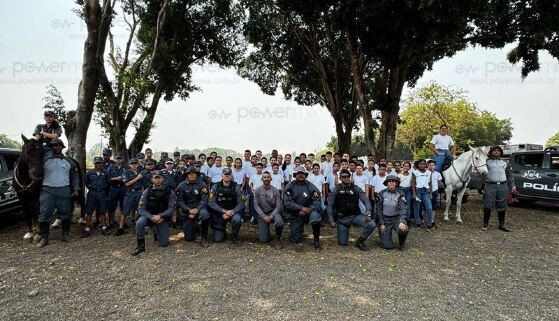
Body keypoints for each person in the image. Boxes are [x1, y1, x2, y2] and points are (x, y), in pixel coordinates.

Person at [36, 139, 80, 248]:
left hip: (64, 190)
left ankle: (65, 235)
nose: (57, 147)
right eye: (55, 146)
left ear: (62, 147)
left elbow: (75, 176)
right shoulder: (44, 160)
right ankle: (44, 237)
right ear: (51, 147)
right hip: (47, 190)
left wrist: (76, 189)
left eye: (59, 145)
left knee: (66, 213)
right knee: (44, 214)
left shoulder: (69, 161)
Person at [327, 169, 376, 251]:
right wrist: (331, 220)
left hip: (355, 216)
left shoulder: (356, 188)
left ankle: (360, 242)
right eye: (343, 177)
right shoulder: (336, 190)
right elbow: (330, 205)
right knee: (342, 244)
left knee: (371, 224)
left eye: (347, 176)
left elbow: (366, 200)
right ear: (340, 178)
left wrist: (368, 213)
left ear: (350, 177)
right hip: (343, 220)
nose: (346, 178)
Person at [131, 170, 176, 256]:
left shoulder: (168, 191)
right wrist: (151, 217)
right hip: (149, 216)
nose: (157, 180)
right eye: (155, 178)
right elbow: (141, 209)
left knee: (164, 244)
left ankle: (156, 230)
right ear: (152, 179)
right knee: (139, 222)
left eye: (159, 178)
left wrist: (161, 216)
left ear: (163, 179)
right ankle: (140, 245)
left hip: (162, 218)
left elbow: (172, 208)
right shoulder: (147, 191)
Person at [283, 166, 322, 251]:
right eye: (298, 173)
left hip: (309, 212)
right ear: (295, 175)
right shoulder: (290, 186)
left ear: (305, 175)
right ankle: (299, 231)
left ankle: (316, 240)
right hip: (296, 213)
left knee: (315, 217)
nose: (300, 175)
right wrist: (301, 208)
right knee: (296, 240)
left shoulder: (310, 186)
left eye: (302, 173)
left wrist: (309, 209)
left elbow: (317, 200)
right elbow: (287, 203)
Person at [483, 146, 516, 232]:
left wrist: (512, 186)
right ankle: (485, 224)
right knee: (487, 206)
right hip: (490, 186)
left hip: (503, 186)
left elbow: (510, 175)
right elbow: (480, 172)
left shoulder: (505, 163)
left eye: (498, 151)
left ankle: (502, 225)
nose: (497, 152)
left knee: (502, 206)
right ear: (491, 152)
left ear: (501, 153)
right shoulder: (486, 162)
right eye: (495, 150)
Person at [208, 168, 245, 243]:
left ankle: (234, 236)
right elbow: (211, 203)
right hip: (219, 213)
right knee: (218, 239)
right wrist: (224, 211)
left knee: (237, 219)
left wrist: (232, 212)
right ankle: (222, 231)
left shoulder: (237, 186)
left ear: (231, 176)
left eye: (229, 175)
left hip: (233, 212)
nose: (227, 176)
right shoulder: (215, 186)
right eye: (225, 174)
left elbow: (241, 203)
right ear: (222, 175)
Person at [176, 166, 211, 246]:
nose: (192, 175)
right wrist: (189, 210)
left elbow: (204, 200)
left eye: (194, 173)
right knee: (189, 239)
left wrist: (197, 209)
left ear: (197, 174)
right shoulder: (181, 185)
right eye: (189, 174)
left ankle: (204, 237)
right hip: (188, 210)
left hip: (200, 208)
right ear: (186, 175)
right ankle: (195, 227)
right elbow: (179, 201)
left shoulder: (202, 184)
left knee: (205, 214)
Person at [377, 175, 408, 250]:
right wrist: (381, 223)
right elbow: (378, 209)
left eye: (393, 181)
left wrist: (402, 221)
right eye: (389, 181)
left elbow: (403, 208)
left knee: (404, 229)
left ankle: (401, 243)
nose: (391, 183)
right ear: (387, 183)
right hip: (385, 220)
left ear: (396, 183)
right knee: (387, 246)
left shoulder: (400, 193)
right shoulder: (381, 193)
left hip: (396, 219)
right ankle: (383, 237)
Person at [253, 172, 284, 247]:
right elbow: (256, 205)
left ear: (271, 179)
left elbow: (278, 206)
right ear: (262, 179)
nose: (266, 179)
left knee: (279, 222)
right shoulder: (257, 190)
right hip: (262, 213)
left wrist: (271, 216)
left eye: (268, 177)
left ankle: (277, 238)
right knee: (264, 240)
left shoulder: (275, 190)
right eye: (264, 177)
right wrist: (263, 216)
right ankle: (267, 233)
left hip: (273, 212)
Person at [82, 157, 110, 238]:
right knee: (89, 211)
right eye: (97, 163)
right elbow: (86, 183)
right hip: (92, 193)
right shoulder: (89, 173)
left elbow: (108, 183)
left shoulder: (106, 172)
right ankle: (87, 229)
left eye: (100, 163)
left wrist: (104, 192)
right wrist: (92, 188)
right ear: (94, 164)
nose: (99, 164)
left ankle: (104, 229)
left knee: (103, 212)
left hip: (102, 193)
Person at [114, 158, 143, 236]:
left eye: (135, 163)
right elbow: (127, 184)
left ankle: (139, 227)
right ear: (129, 165)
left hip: (139, 193)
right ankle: (121, 228)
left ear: (138, 164)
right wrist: (138, 178)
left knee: (140, 210)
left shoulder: (141, 172)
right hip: (130, 193)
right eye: (132, 163)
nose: (134, 165)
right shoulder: (126, 172)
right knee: (125, 211)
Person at [412, 159, 433, 230]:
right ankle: (417, 223)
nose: (422, 165)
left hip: (426, 191)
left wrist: (430, 192)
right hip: (418, 191)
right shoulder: (415, 172)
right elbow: (413, 183)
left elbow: (430, 183)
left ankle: (429, 224)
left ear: (426, 165)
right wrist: (414, 193)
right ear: (418, 165)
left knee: (429, 208)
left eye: (424, 164)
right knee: (417, 207)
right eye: (421, 164)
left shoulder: (429, 172)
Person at [107, 153, 127, 228]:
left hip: (123, 188)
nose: (119, 160)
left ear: (122, 159)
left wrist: (123, 179)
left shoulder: (125, 168)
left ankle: (123, 223)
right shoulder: (110, 168)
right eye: (117, 159)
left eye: (120, 158)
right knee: (112, 206)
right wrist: (116, 178)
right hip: (113, 188)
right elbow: (107, 179)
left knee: (123, 206)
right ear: (115, 159)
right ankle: (111, 222)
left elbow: (128, 178)